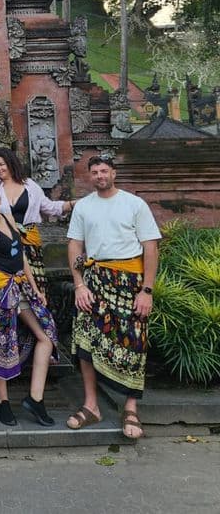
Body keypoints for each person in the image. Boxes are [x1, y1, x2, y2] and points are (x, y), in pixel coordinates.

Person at [66, 155, 161, 439]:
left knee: (133, 341)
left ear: (114, 173)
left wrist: (147, 290)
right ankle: (91, 405)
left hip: (130, 280)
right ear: (90, 177)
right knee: (85, 340)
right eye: (94, 172)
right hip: (94, 281)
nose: (99, 176)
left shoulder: (134, 204)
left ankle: (131, 407)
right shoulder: (83, 207)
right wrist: (79, 284)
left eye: (104, 171)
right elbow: (74, 245)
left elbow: (151, 248)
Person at [0, 184, 58, 427]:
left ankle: (36, 398)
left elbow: (21, 256)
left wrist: (36, 289)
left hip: (20, 286)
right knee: (1, 345)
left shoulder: (9, 218)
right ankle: (3, 403)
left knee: (46, 336)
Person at [0, 146, 75, 293]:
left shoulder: (30, 186)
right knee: (11, 291)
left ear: (10, 163)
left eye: (1, 164)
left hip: (30, 245)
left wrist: (73, 204)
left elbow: (50, 207)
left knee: (35, 290)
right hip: (6, 246)